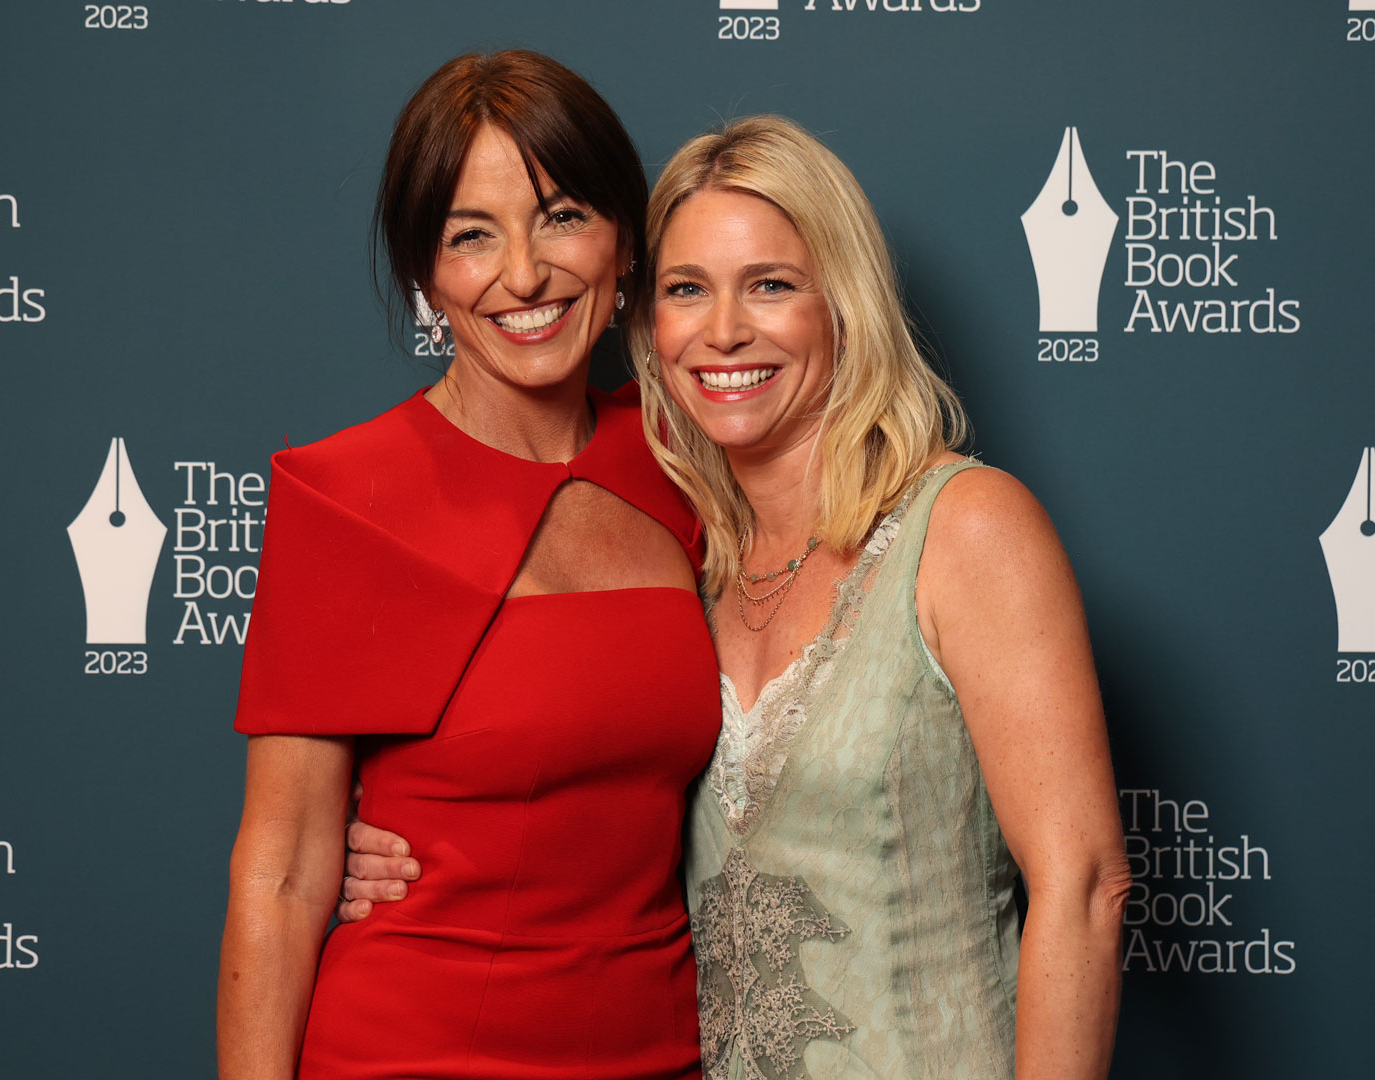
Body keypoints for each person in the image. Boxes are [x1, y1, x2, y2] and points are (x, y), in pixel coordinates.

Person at [345, 116, 1131, 1078]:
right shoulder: (687, 549)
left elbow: (1084, 884)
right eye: (687, 290)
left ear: (842, 303)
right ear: (650, 320)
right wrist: (395, 845)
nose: (723, 331)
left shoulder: (967, 527)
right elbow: (582, 788)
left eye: (770, 285)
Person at [217, 51, 716, 1080]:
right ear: (427, 274)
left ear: (626, 242)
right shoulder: (345, 495)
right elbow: (281, 871)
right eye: (470, 236)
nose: (523, 275)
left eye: (563, 216)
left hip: (662, 1052)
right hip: (415, 1048)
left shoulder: (689, 463)